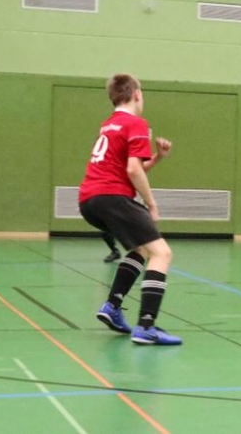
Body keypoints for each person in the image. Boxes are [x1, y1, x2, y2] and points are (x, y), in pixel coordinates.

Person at [78, 73, 182, 345]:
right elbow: (133, 170)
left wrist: (157, 157)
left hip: (90, 200)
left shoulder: (109, 124)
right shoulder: (136, 123)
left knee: (141, 250)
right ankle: (146, 326)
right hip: (112, 196)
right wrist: (151, 204)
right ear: (136, 94)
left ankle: (112, 306)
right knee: (162, 253)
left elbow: (128, 168)